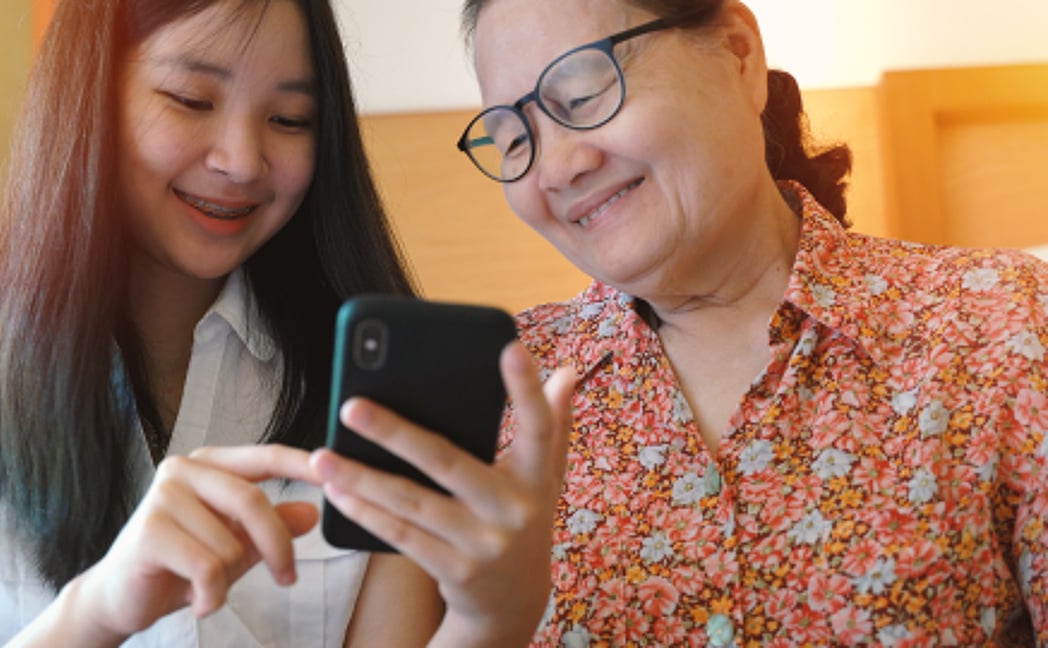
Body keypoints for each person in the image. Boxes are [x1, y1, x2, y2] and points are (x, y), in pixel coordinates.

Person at [0, 0, 575, 646]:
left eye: (290, 120)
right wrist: (93, 612)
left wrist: (494, 622)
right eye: (191, 100)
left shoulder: (374, 400)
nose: (243, 161)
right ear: (89, 98)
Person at [448, 0, 1048, 644]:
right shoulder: (493, 393)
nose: (558, 166)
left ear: (739, 53)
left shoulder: (1002, 318)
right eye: (515, 139)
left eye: (585, 92)